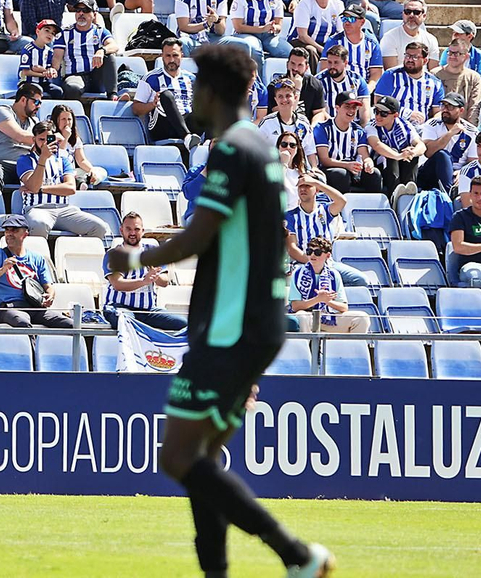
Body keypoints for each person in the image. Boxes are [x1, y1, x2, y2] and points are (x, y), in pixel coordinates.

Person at [105, 43, 331, 577]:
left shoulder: (232, 148)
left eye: (195, 86)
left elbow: (201, 235)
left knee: (177, 456)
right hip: (255, 321)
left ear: (211, 92)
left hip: (232, 323)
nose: (190, 95)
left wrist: (135, 254)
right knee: (200, 460)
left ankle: (296, 555)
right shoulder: (261, 146)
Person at [16, 119, 109, 238]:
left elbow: (70, 188)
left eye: (48, 139)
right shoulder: (25, 160)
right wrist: (43, 159)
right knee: (39, 224)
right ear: (34, 139)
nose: (45, 143)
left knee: (99, 227)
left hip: (64, 209)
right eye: (41, 139)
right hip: (37, 208)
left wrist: (41, 189)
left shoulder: (63, 160)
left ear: (54, 139)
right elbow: (33, 186)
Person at [102, 212, 187, 331]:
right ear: (121, 230)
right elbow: (117, 284)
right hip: (119, 307)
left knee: (184, 325)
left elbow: (164, 282)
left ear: (142, 231)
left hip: (148, 310)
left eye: (136, 229)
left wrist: (154, 276)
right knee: (126, 322)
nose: (132, 233)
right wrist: (144, 281)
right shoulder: (114, 254)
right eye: (128, 229)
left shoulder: (153, 251)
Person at [0, 220, 73, 329]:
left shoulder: (37, 259)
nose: (9, 233)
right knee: (22, 322)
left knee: (70, 324)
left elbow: (49, 286)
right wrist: (2, 269)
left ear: (25, 234)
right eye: (6, 230)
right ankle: (34, 346)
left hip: (34, 307)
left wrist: (50, 296)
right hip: (9, 308)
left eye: (14, 230)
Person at [288, 235, 371, 334]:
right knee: (302, 316)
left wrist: (327, 301)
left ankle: (352, 348)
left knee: (361, 318)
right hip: (308, 316)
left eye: (317, 252)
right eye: (309, 252)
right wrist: (318, 299)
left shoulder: (334, 274)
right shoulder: (297, 273)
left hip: (329, 317)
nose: (312, 255)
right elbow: (295, 306)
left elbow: (343, 308)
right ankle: (307, 348)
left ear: (327, 256)